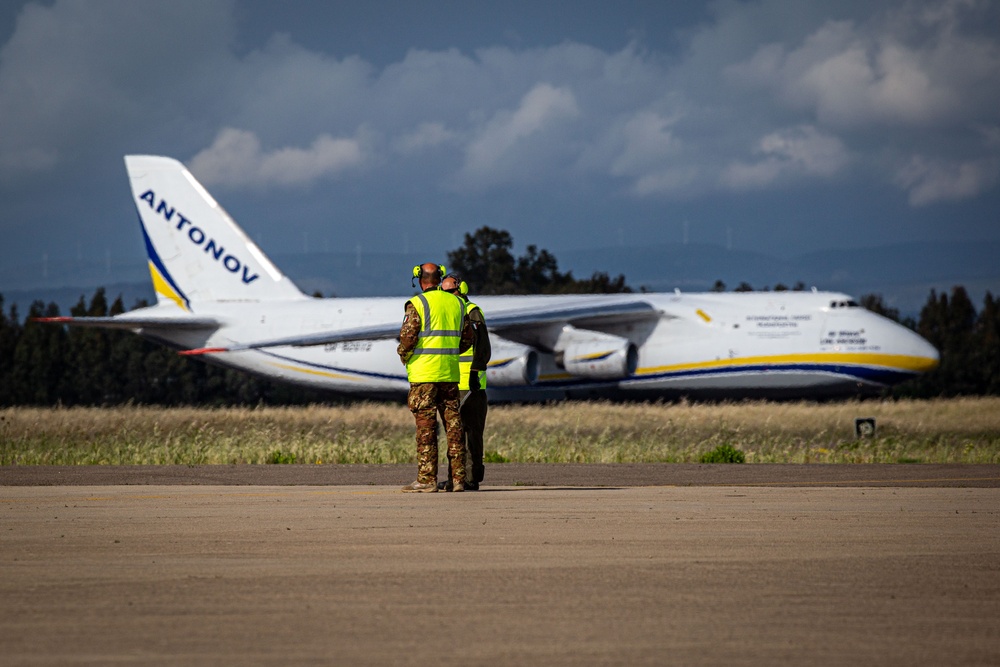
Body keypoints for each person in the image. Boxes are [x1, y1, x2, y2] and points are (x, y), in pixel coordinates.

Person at [397, 262, 474, 493]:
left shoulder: (417, 304)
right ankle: (458, 479)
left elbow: (408, 338)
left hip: (423, 376)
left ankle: (427, 479)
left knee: (426, 429)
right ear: (439, 279)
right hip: (449, 374)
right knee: (454, 427)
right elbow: (468, 339)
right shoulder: (458, 303)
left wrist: (404, 355)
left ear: (421, 280)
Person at [439, 273, 491, 491]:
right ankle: (455, 478)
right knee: (454, 434)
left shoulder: (471, 312)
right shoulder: (449, 313)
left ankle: (472, 477)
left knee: (472, 433)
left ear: (460, 290)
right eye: (444, 292)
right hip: (451, 381)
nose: (447, 295)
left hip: (471, 385)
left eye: (450, 291)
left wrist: (475, 371)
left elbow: (483, 346)